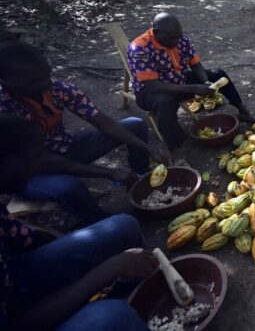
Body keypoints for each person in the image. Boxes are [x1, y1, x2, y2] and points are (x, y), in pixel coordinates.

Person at [0, 113, 156, 330]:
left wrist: (75, 255)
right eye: (34, 159)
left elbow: (25, 239)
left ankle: (142, 294)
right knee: (114, 316)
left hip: (14, 277)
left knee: (123, 226)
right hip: (13, 317)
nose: (38, 167)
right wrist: (106, 270)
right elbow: (20, 322)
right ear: (7, 163)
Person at [0, 40, 163, 223]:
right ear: (7, 82)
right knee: (69, 187)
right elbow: (42, 161)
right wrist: (107, 173)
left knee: (134, 125)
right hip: (28, 173)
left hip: (65, 148)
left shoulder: (56, 89)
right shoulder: (5, 111)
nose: (47, 83)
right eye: (35, 81)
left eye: (47, 75)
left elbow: (104, 122)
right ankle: (100, 221)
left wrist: (145, 148)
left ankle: (141, 176)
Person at [128, 12, 251, 161]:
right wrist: (194, 88)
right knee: (165, 103)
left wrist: (205, 82)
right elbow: (153, 85)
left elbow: (195, 63)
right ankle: (177, 150)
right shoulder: (140, 48)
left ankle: (242, 109)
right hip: (150, 93)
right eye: (172, 39)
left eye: (178, 37)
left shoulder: (178, 38)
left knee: (218, 73)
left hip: (179, 80)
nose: (176, 41)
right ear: (156, 32)